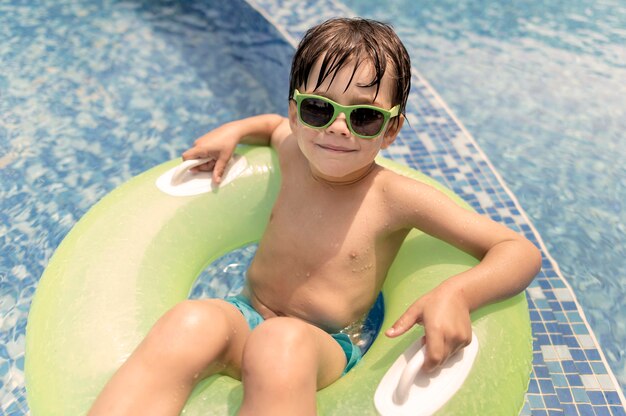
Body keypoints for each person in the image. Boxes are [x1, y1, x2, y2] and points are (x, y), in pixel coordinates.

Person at [88, 17, 541, 416]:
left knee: (278, 343)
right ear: (296, 111)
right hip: (246, 314)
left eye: (363, 117)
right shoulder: (292, 150)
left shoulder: (395, 198)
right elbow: (270, 126)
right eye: (319, 108)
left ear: (391, 130)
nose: (337, 128)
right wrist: (237, 129)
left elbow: (517, 250)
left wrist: (457, 293)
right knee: (187, 321)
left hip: (321, 344)